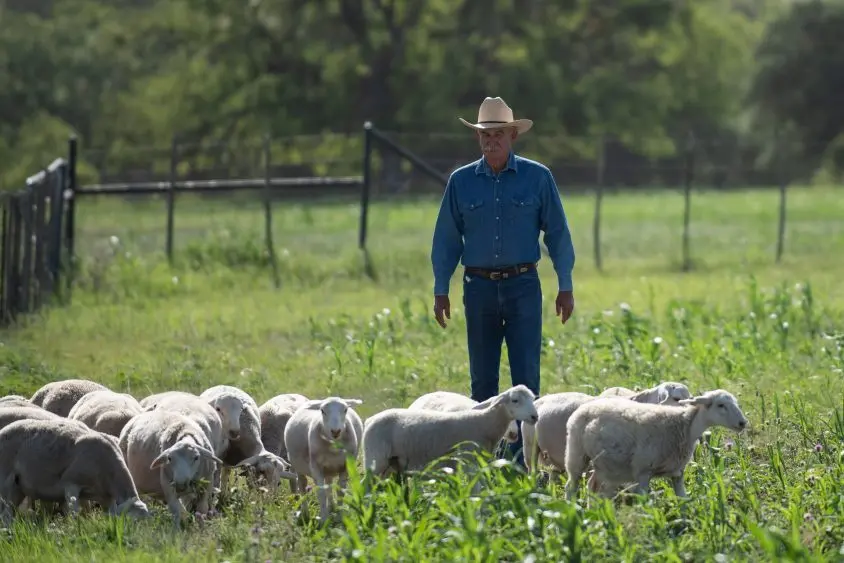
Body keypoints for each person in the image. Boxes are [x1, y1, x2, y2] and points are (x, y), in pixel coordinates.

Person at [430, 96, 576, 466]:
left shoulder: (537, 177)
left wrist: (565, 284)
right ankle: (484, 461)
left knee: (526, 376)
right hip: (478, 287)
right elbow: (447, 239)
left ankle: (523, 461)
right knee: (482, 379)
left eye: (498, 134)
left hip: (523, 284)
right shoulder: (461, 181)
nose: (491, 141)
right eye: (485, 135)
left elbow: (557, 233)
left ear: (513, 135)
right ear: (478, 138)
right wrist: (441, 288)